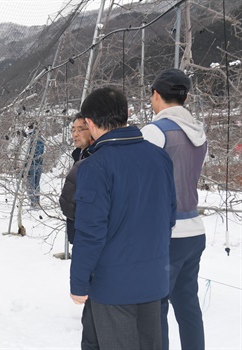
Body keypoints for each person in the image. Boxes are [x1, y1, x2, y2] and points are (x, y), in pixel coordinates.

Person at [69, 87, 176, 349]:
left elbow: (90, 232)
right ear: (127, 114)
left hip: (113, 285)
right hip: (153, 278)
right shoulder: (159, 156)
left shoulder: (95, 166)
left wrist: (78, 282)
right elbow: (169, 215)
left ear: (91, 123)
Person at [141, 68, 208, 350]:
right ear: (186, 97)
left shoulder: (153, 132)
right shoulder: (200, 133)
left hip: (166, 235)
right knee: (188, 306)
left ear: (156, 95)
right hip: (194, 232)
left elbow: (141, 186)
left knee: (155, 309)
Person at [59, 113, 93, 244]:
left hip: (87, 234)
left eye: (80, 130)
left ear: (93, 129)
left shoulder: (93, 158)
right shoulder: (79, 155)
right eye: (73, 130)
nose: (75, 134)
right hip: (78, 232)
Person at [24, 123, 45, 208]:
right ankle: (37, 202)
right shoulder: (41, 139)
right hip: (39, 164)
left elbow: (27, 153)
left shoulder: (31, 139)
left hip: (31, 164)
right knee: (36, 183)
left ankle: (33, 203)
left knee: (30, 183)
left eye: (28, 129)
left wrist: (25, 165)